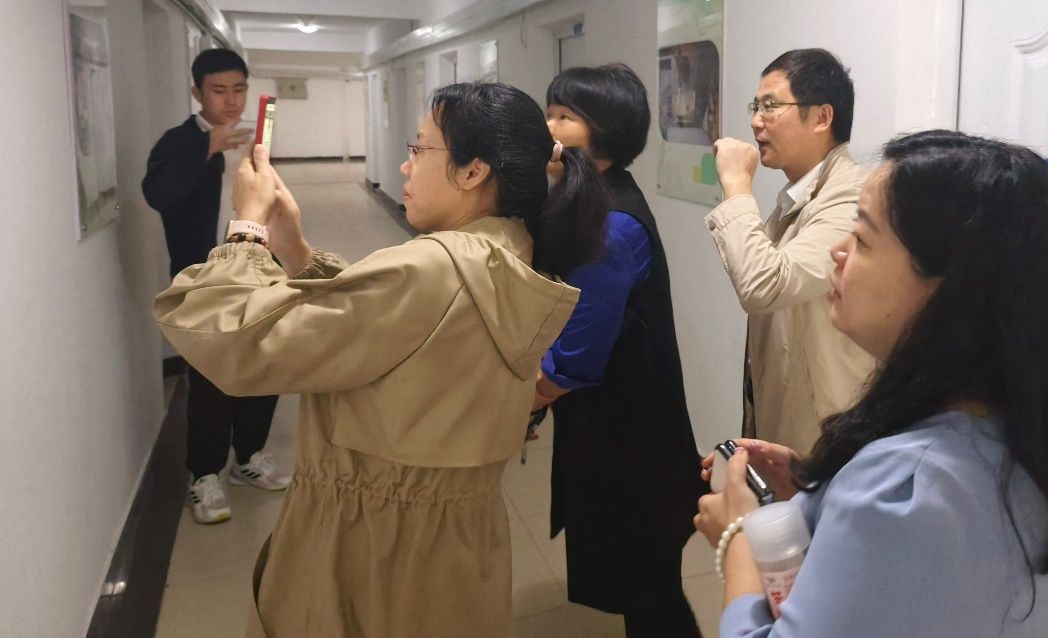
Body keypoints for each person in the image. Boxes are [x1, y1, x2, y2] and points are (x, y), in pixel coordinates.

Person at [152, 82, 608, 638]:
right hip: (458, 546)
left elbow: (229, 339)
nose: (405, 164)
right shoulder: (510, 251)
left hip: (369, 551)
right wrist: (294, 249)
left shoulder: (430, 269)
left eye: (420, 148)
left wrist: (246, 230)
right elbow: (388, 329)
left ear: (473, 171)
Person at [695, 131, 1048, 637]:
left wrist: (740, 537)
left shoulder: (907, 488)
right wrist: (819, 494)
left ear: (952, 288)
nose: (838, 253)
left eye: (862, 238)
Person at [536, 64, 706, 637]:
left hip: (633, 439)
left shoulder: (612, 223)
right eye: (549, 112)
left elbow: (577, 358)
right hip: (621, 426)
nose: (548, 127)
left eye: (564, 117)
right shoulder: (587, 198)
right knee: (649, 588)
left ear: (604, 130)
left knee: (652, 594)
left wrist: (520, 403)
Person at [141, 47, 287, 524]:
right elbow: (157, 195)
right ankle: (204, 475)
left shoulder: (256, 140)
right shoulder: (179, 141)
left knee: (264, 365)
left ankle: (249, 457)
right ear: (197, 93)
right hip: (205, 280)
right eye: (219, 91)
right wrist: (207, 147)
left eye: (238, 89)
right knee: (209, 381)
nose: (231, 100)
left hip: (258, 270)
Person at [705, 49, 872, 456]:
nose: (755, 121)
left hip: (826, 439)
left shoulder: (851, 197)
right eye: (756, 107)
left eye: (771, 106)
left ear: (822, 117)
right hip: (790, 426)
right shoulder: (801, 195)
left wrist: (736, 185)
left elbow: (763, 285)